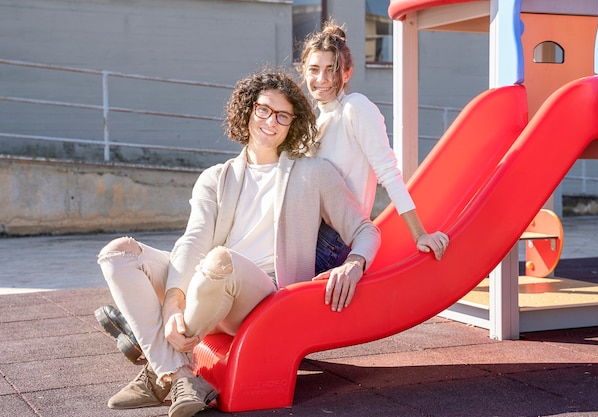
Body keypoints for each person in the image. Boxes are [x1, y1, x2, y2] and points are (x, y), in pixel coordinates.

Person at [96, 68, 381, 417]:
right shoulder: (216, 177)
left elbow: (366, 229)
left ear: (293, 124)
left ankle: (158, 368)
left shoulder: (315, 173)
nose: (271, 122)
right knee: (118, 254)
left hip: (261, 297)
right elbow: (193, 240)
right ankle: (178, 373)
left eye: (283, 116)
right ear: (248, 111)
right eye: (263, 109)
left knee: (219, 260)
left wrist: (355, 263)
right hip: (206, 286)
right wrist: (173, 303)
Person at [298, 20, 449, 272]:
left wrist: (420, 235)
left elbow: (389, 173)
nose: (321, 79)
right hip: (305, 235)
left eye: (331, 70)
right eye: (314, 69)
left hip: (332, 239)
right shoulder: (316, 118)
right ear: (304, 70)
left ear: (347, 74)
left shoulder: (355, 108)